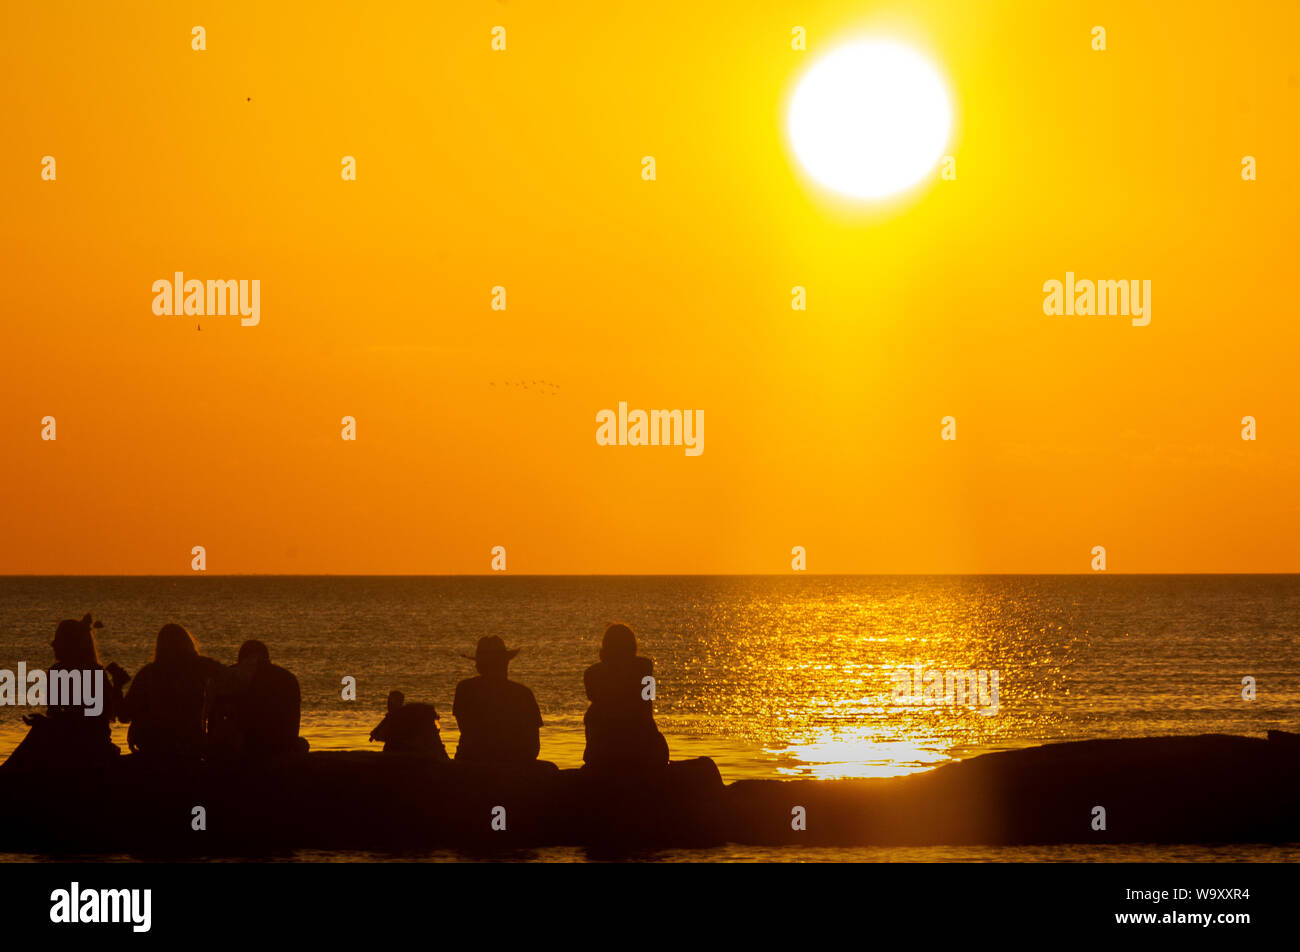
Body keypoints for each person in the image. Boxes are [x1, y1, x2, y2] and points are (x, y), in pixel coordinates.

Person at [2, 614, 129, 771]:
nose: (53, 644)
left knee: (38, 735)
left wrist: (45, 723)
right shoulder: (89, 671)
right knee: (39, 733)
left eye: (58, 640)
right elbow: (107, 715)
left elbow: (90, 720)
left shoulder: (67, 672)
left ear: (70, 644)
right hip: (87, 742)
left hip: (86, 744)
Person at [118, 624, 225, 758]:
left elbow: (124, 716)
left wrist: (117, 687)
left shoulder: (149, 673)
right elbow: (229, 677)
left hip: (154, 748)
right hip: (190, 745)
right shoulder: (201, 667)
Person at [582, 623, 669, 770]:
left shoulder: (591, 674)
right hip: (642, 750)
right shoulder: (645, 667)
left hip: (603, 750)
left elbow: (594, 699)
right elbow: (648, 703)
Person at [206, 640, 307, 760]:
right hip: (279, 747)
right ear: (267, 659)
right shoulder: (288, 678)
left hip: (244, 748)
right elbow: (293, 723)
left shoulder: (230, 676)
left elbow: (213, 720)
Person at [451, 636, 542, 764]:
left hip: (471, 759)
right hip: (513, 762)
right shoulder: (523, 693)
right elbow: (533, 745)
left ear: (479, 666)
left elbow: (466, 729)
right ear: (504, 663)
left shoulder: (464, 689)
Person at [369, 690, 448, 758]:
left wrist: (376, 734)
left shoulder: (398, 716)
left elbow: (384, 735)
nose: (389, 704)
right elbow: (380, 735)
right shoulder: (393, 716)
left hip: (398, 752)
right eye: (389, 701)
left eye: (391, 701)